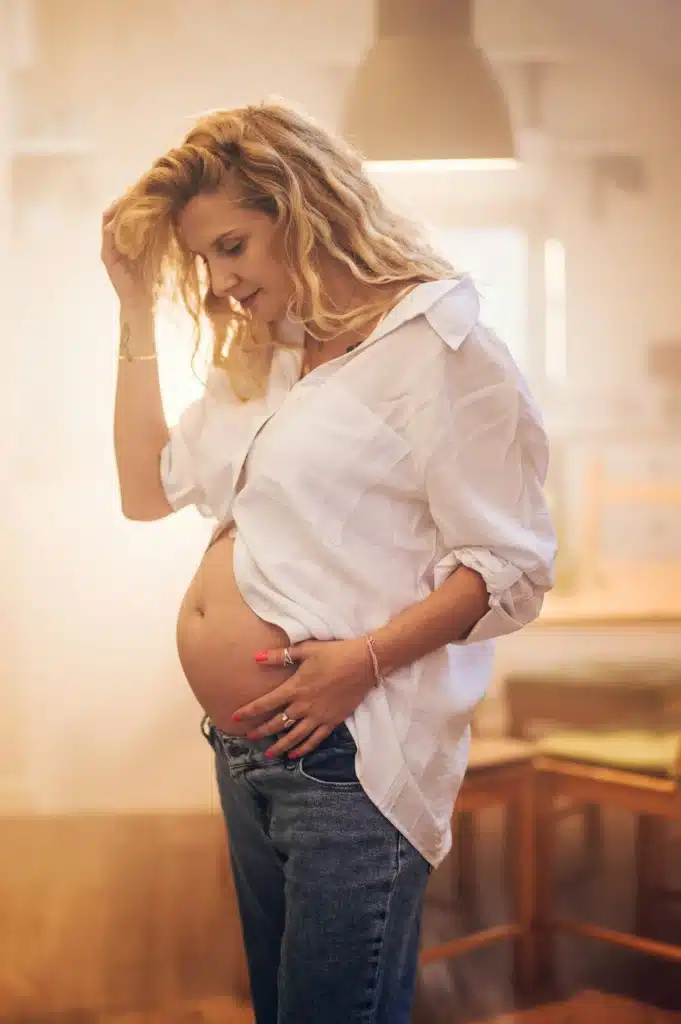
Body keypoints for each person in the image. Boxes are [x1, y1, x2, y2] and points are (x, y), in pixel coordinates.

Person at [103, 100, 556, 1024]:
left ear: (303, 207)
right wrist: (134, 305)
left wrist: (363, 662)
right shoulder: (271, 358)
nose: (221, 280)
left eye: (233, 245)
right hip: (245, 751)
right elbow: (145, 491)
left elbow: (509, 567)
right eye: (202, 260)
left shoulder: (439, 347)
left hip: (349, 757)